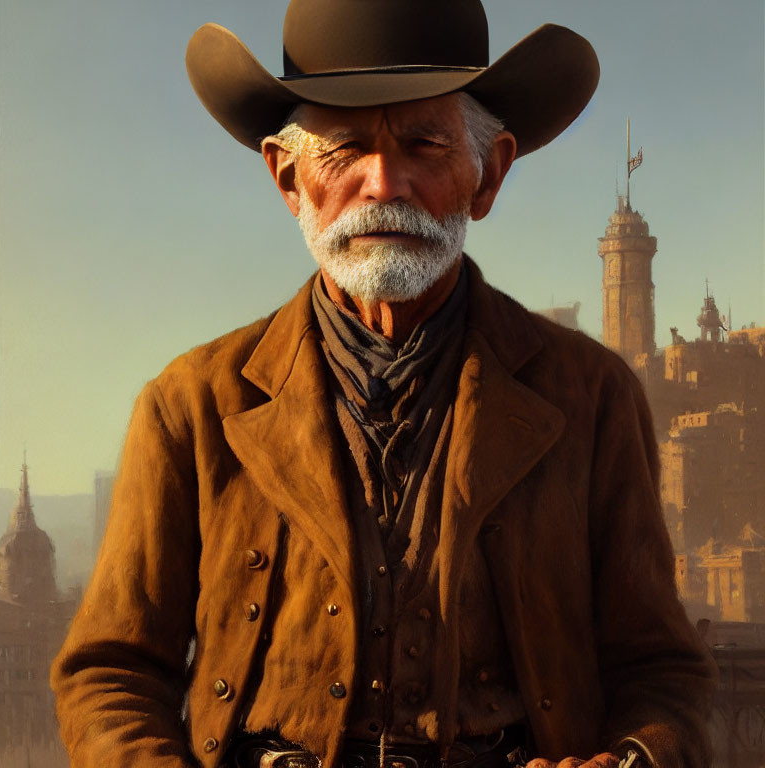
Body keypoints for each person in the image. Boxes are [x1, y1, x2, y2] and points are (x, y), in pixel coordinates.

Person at [51, 2, 716, 768]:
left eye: (424, 144)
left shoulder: (592, 398)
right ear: (288, 178)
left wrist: (632, 760)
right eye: (343, 150)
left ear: (487, 175)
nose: (382, 184)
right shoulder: (192, 405)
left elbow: (661, 672)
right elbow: (111, 673)